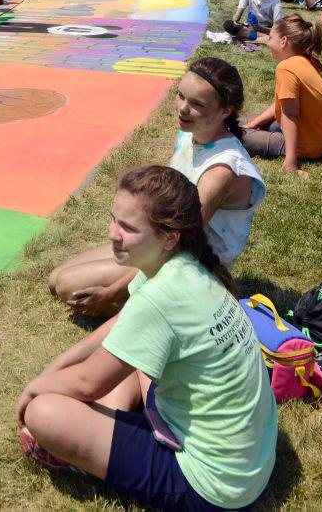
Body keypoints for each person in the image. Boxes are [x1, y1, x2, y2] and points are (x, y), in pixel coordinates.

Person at [19, 165, 276, 512]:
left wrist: (35, 389)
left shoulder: (160, 299)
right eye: (114, 219)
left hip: (209, 489)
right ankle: (109, 423)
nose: (112, 234)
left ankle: (85, 453)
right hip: (248, 464)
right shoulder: (184, 265)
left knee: (44, 413)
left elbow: (86, 382)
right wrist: (51, 371)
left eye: (128, 227)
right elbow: (117, 329)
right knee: (130, 352)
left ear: (170, 236)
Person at [49, 58, 265, 316]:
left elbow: (181, 243)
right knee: (56, 279)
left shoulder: (222, 171)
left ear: (225, 112)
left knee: (67, 286)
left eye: (197, 104)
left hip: (192, 265)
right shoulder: (190, 133)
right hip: (160, 242)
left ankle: (178, 310)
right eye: (181, 96)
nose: (183, 108)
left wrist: (112, 293)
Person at [241, 14, 322, 177]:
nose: (268, 43)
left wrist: (291, 161)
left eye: (270, 38)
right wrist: (253, 124)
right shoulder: (308, 61)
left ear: (284, 41)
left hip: (304, 146)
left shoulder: (286, 68)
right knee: (238, 121)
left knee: (228, 132)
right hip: (315, 142)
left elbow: (290, 115)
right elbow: (282, 105)